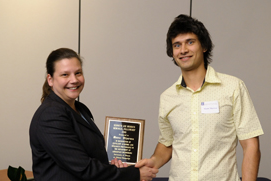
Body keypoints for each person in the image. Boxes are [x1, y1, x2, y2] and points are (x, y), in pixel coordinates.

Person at [135, 14, 264, 181]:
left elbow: (251, 145)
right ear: (172, 52)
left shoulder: (233, 87)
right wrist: (153, 162)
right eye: (177, 45)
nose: (183, 50)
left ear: (204, 46)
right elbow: (167, 143)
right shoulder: (167, 97)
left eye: (190, 42)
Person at [29, 48, 158, 181]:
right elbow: (84, 168)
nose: (74, 80)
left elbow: (85, 158)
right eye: (65, 75)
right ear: (50, 80)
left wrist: (110, 167)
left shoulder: (80, 109)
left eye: (78, 73)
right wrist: (135, 174)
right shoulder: (50, 116)